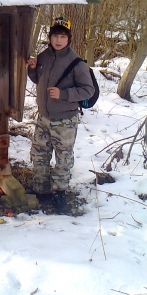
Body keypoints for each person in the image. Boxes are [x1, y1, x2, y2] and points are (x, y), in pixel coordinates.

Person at [27, 18, 95, 213]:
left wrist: (63, 94)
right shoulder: (45, 56)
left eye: (62, 36)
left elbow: (88, 90)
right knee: (39, 154)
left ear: (68, 39)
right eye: (55, 36)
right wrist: (32, 68)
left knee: (63, 158)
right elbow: (37, 79)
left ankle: (59, 194)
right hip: (44, 117)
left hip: (65, 120)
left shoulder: (76, 63)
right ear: (50, 37)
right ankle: (41, 190)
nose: (58, 40)